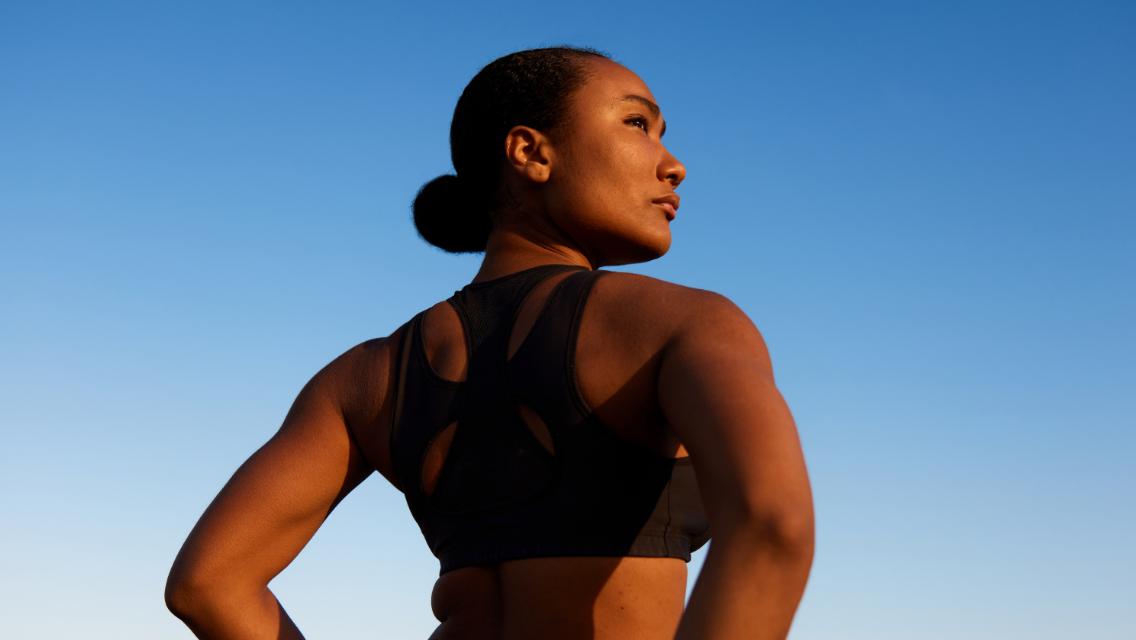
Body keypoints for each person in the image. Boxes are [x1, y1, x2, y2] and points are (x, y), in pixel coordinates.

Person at [165, 46, 814, 639]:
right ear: (531, 153)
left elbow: (209, 583)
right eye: (637, 124)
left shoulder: (365, 377)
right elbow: (772, 526)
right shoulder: (683, 320)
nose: (674, 165)